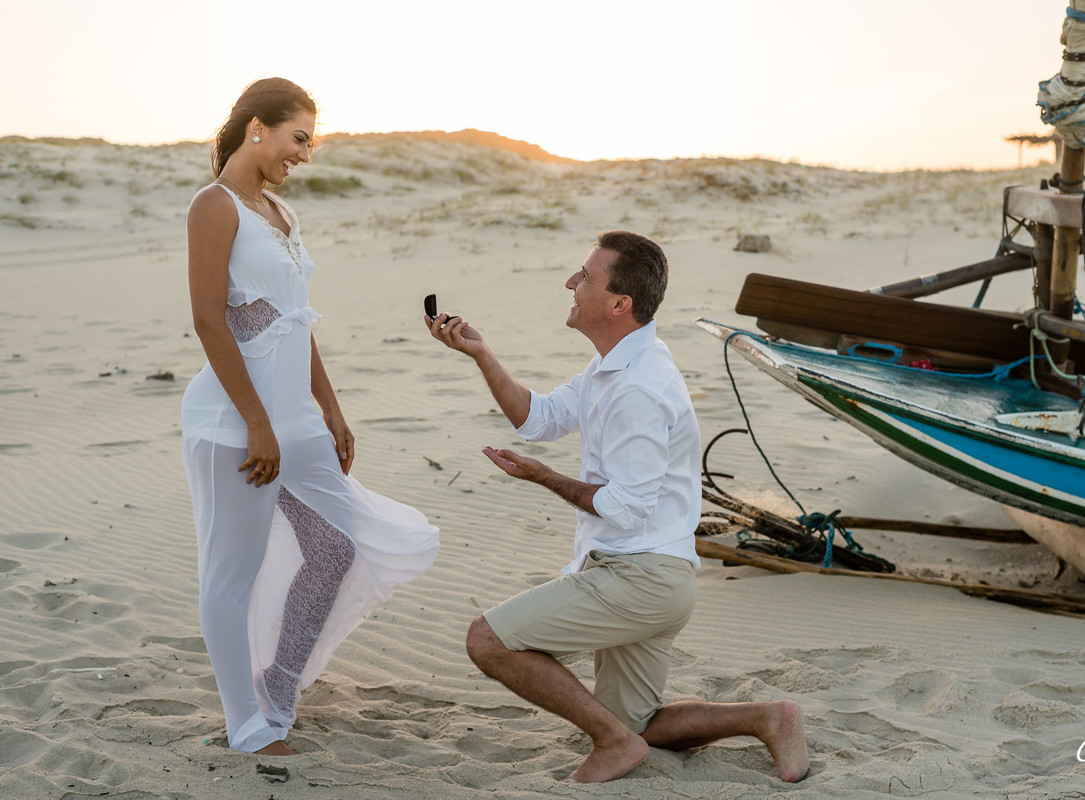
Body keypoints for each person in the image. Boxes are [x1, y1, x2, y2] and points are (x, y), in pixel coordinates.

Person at [426, 231, 808, 783]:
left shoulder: (639, 387)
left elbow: (626, 509)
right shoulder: (620, 365)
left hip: (639, 575)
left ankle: (609, 741)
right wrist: (481, 355)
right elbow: (537, 418)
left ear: (619, 303)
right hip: (657, 577)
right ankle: (770, 717)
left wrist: (544, 478)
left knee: (488, 641)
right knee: (645, 724)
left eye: (584, 276)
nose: (571, 283)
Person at [181, 78, 439, 755]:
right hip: (232, 424)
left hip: (298, 419)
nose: (306, 153)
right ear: (257, 128)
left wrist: (331, 406)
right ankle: (246, 728)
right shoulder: (215, 207)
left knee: (335, 547)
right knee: (228, 575)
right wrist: (258, 423)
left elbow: (299, 324)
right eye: (299, 138)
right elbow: (210, 323)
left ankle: (281, 685)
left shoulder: (282, 214)